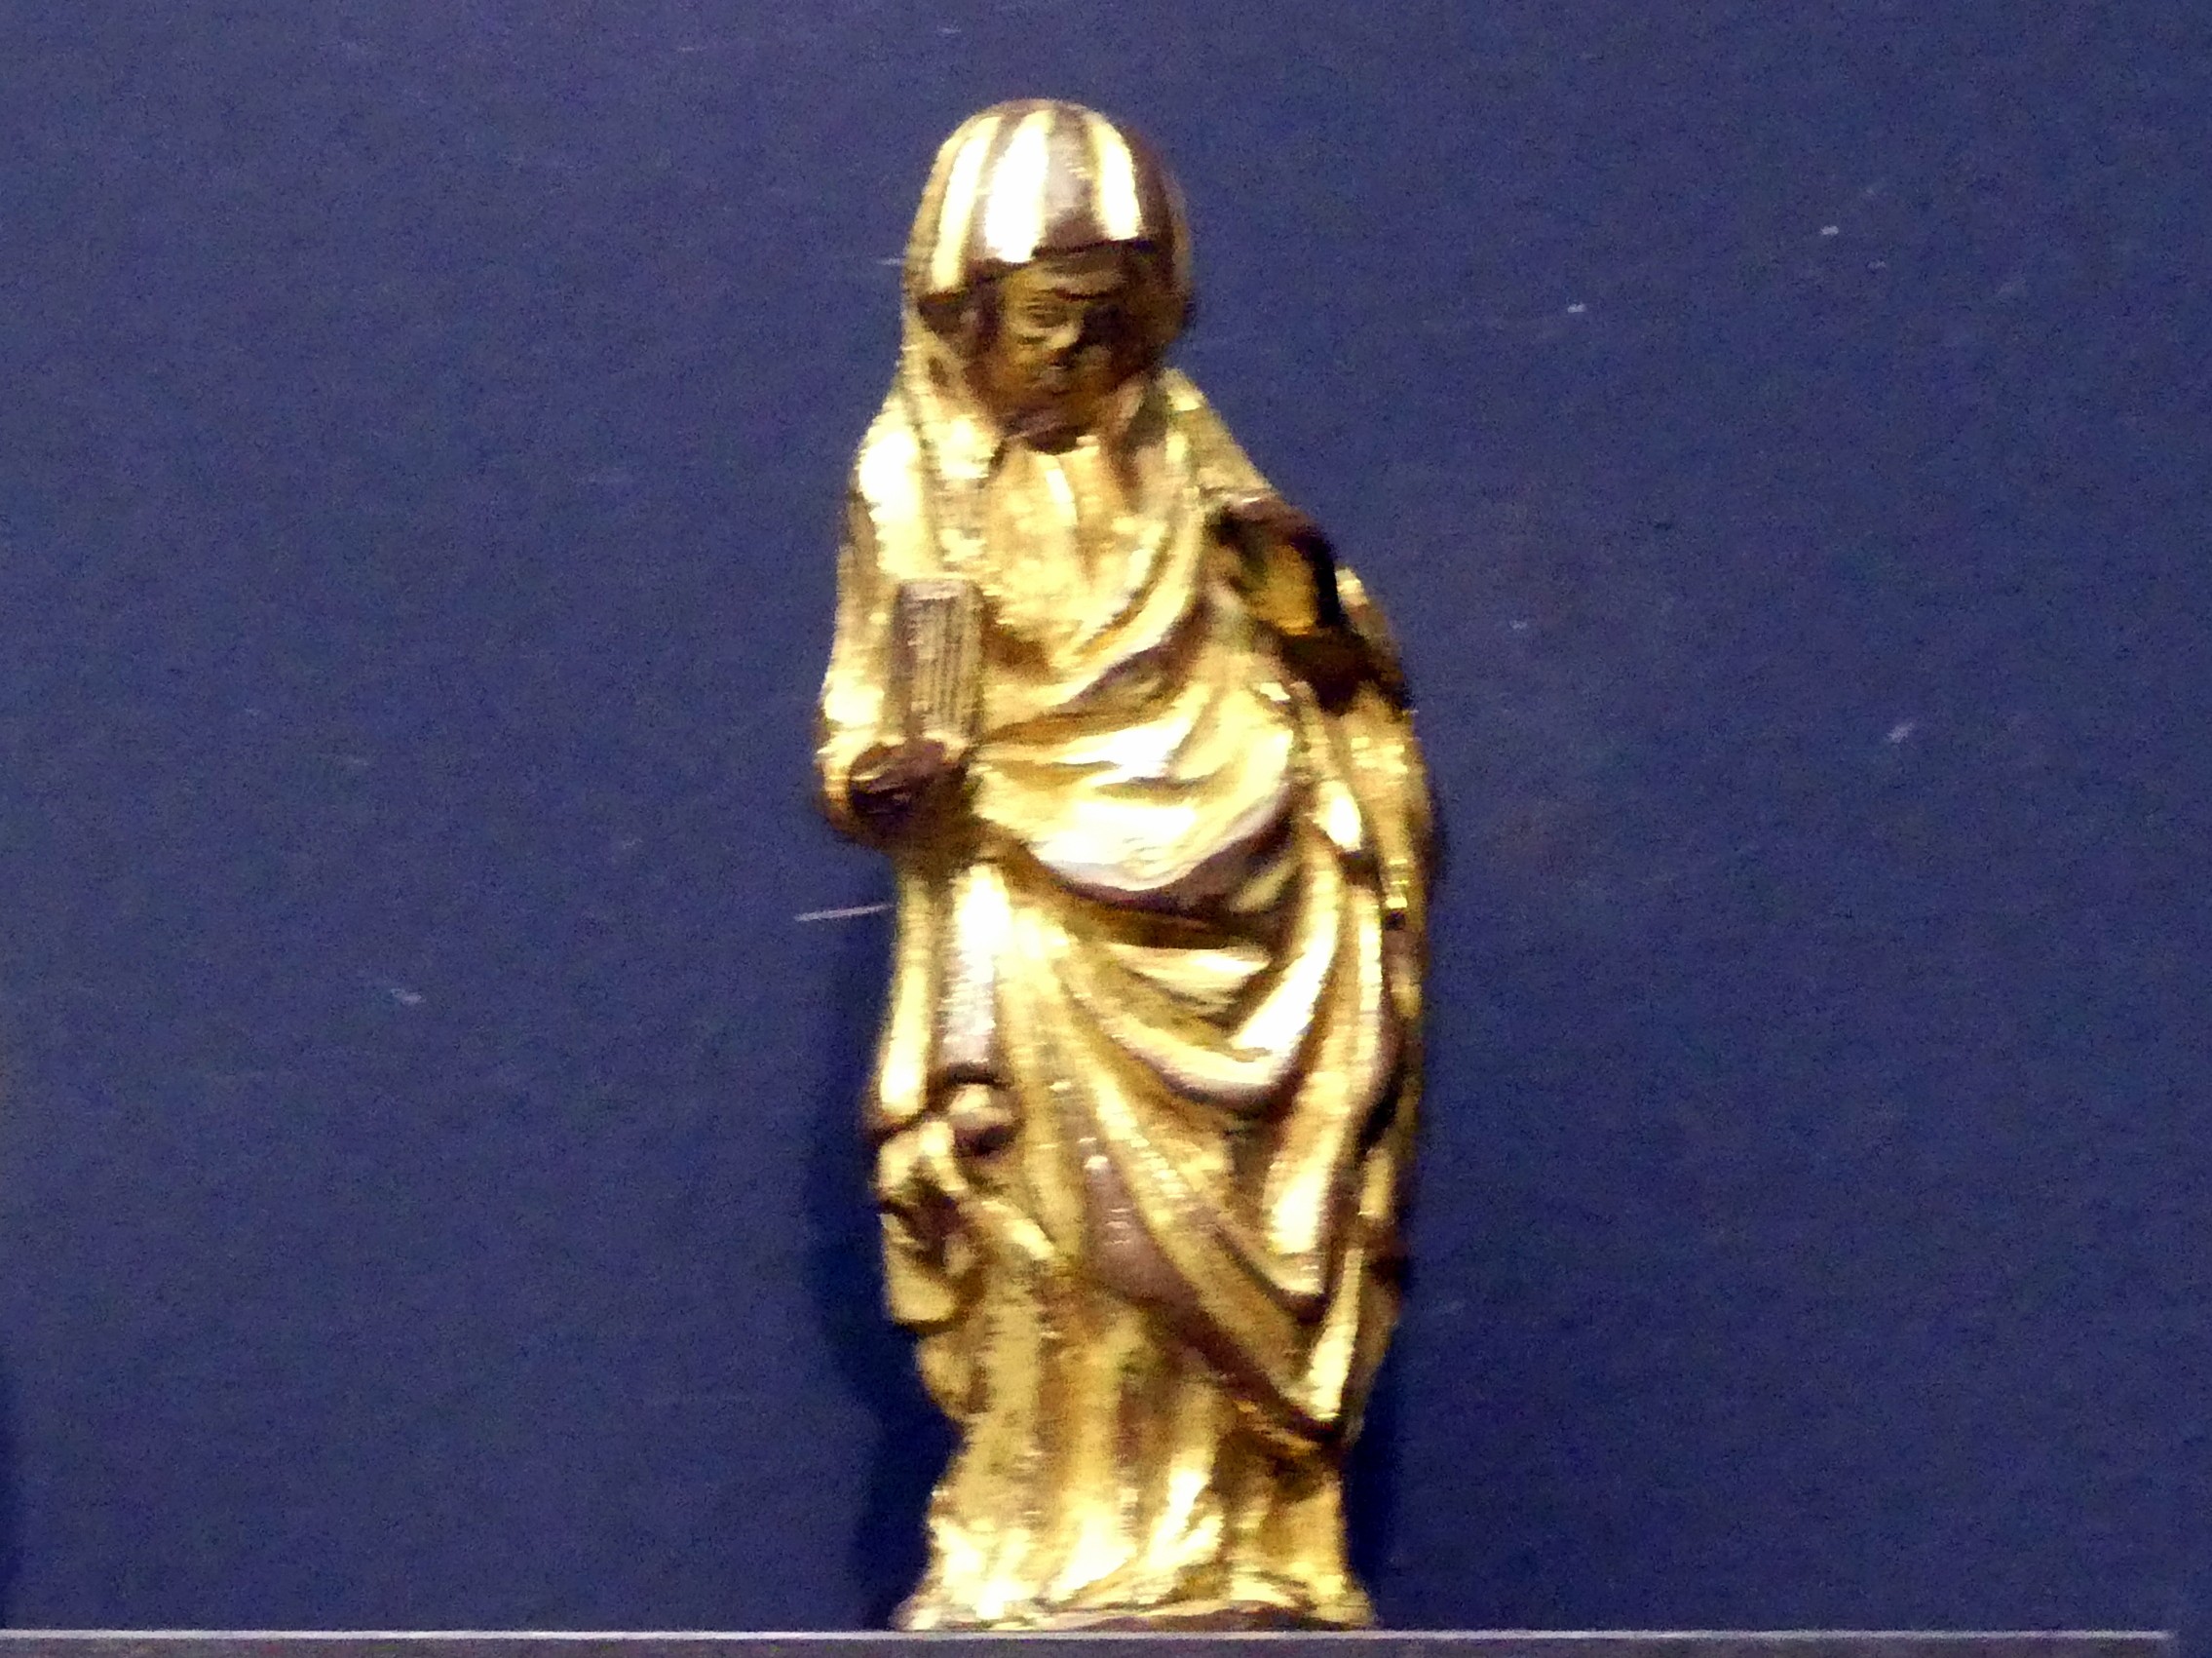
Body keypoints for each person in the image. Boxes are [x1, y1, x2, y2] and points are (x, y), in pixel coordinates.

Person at [815, 98, 1432, 1631]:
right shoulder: (909, 482)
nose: (1075, 352)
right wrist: (893, 776)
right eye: (1044, 319)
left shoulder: (1181, 444)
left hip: (1249, 902)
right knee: (1051, 1232)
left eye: (1107, 319)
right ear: (962, 313)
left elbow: (1329, 655)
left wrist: (1301, 602)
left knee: (1252, 1230)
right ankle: (1049, 1537)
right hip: (1036, 912)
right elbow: (856, 732)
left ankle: (1244, 1533)